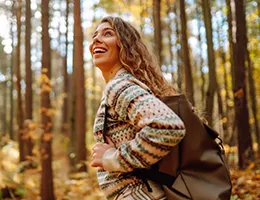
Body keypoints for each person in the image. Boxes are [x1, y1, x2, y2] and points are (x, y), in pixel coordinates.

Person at [89, 16, 186, 200]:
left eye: (108, 33)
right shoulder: (124, 85)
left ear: (124, 45)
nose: (96, 39)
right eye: (95, 35)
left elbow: (168, 126)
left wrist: (112, 158)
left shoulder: (119, 86)